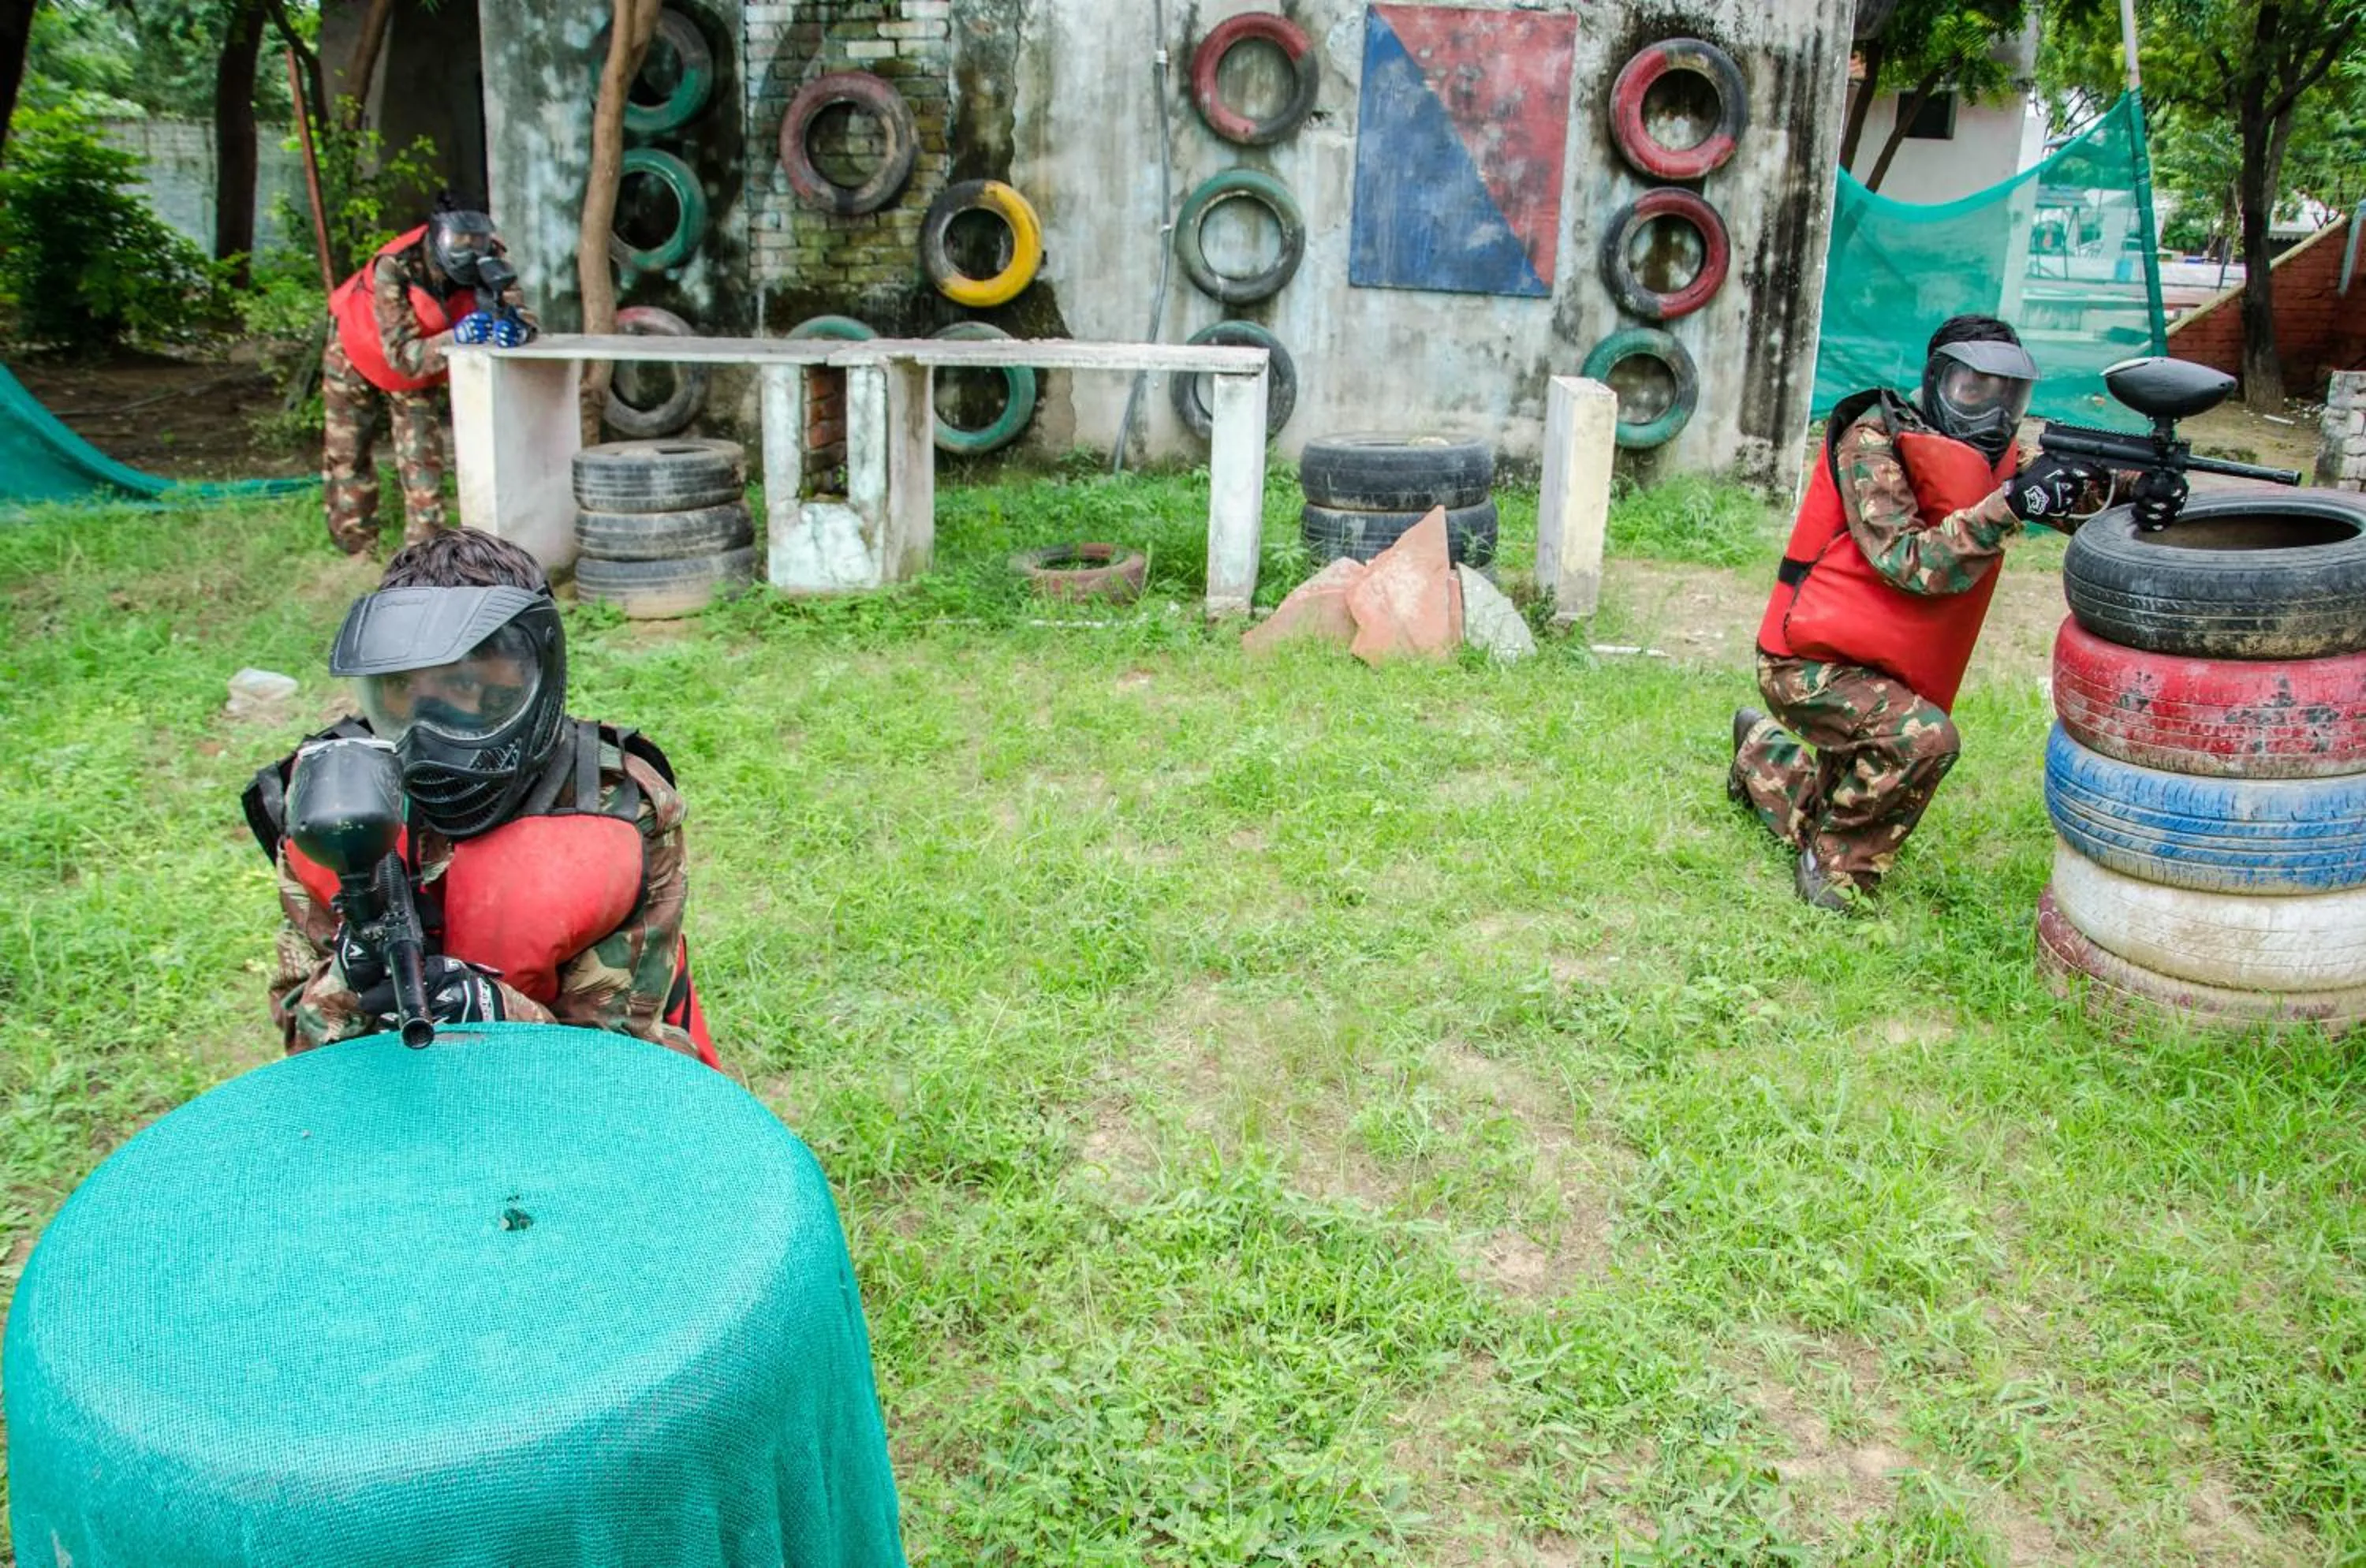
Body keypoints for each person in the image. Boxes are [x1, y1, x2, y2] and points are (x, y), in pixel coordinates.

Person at [245, 528, 715, 1062]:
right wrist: (345, 989)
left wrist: (501, 1014)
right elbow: (295, 1037)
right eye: (404, 694)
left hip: (561, 1107)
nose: (428, 736)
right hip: (388, 1097)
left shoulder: (619, 810)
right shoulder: (326, 804)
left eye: (465, 690)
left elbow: (630, 1057)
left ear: (530, 677)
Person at [1730, 313, 2096, 910]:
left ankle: (1760, 753)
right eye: (1974, 389)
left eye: (2009, 395)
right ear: (1938, 379)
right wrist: (2011, 505)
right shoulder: (1873, 441)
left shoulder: (1997, 459)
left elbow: (2063, 500)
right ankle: (1837, 872)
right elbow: (1907, 560)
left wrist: (2124, 490)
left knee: (1835, 797)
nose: (1993, 411)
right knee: (1923, 738)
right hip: (1809, 665)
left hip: (1883, 666)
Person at [321, 195, 536, 555]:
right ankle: (355, 548)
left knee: (423, 457)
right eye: (459, 243)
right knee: (349, 451)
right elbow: (402, 356)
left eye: (477, 241)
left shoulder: (492, 260)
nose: (469, 252)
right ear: (438, 238)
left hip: (424, 356)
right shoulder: (396, 265)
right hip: (359, 350)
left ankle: (423, 556)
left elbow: (525, 316)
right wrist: (458, 337)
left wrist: (517, 328)